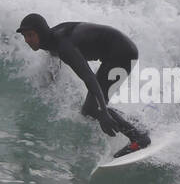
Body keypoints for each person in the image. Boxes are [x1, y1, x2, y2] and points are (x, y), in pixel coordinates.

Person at [16, 13, 151, 157]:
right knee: (89, 110)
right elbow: (53, 57)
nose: (27, 40)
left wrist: (104, 112)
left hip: (122, 53)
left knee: (92, 108)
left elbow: (89, 78)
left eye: (30, 35)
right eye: (25, 36)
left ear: (41, 32)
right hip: (116, 51)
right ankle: (133, 123)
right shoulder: (49, 40)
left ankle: (138, 138)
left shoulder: (63, 44)